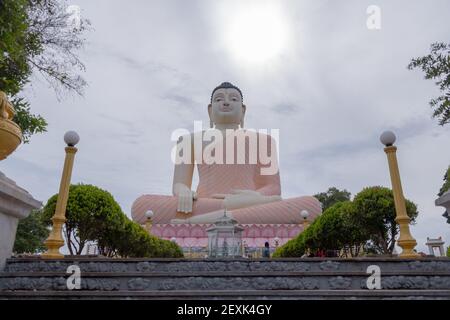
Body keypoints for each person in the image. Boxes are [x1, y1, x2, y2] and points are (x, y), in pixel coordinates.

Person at [131, 82, 322, 225]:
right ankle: (224, 215)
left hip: (252, 202)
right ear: (209, 110)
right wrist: (183, 192)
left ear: (243, 110)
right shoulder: (188, 140)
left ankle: (196, 224)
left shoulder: (264, 141)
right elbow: (179, 184)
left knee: (311, 206)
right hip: (202, 204)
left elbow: (273, 189)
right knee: (142, 206)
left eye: (233, 99)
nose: (226, 102)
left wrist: (254, 198)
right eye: (219, 99)